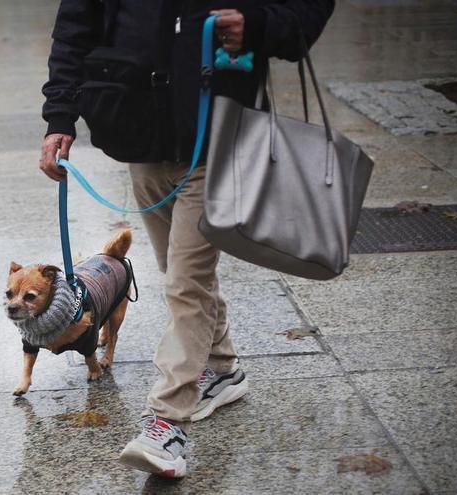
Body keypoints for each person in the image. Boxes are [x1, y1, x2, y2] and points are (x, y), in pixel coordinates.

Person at [40, 0, 334, 478]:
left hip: (220, 132)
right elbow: (76, 25)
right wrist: (59, 117)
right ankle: (223, 368)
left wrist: (258, 25)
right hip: (137, 130)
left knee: (186, 283)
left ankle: (165, 423)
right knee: (177, 271)